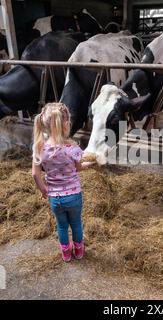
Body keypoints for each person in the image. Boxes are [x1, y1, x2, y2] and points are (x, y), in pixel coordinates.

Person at [32, 102, 95, 262]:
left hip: (55, 198)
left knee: (61, 226)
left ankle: (66, 254)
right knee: (76, 224)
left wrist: (43, 190)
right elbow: (79, 167)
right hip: (74, 196)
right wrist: (89, 164)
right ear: (65, 124)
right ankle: (79, 251)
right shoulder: (72, 148)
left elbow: (35, 174)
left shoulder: (39, 148)